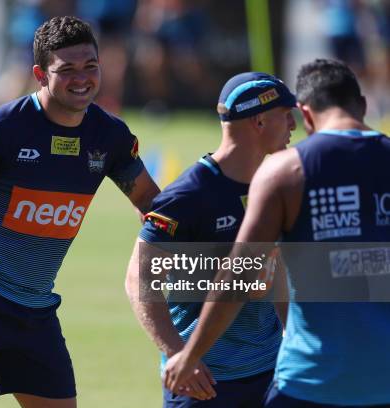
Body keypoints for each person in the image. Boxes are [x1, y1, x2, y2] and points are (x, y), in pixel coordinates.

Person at [0, 16, 159, 408]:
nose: (82, 79)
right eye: (66, 70)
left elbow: (152, 205)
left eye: (90, 67)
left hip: (35, 308)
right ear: (40, 73)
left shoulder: (110, 137)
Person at [163, 59, 390, 407]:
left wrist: (191, 354)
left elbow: (240, 275)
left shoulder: (285, 172)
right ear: (361, 105)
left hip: (309, 381)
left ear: (306, 114)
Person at [126, 72, 296, 407]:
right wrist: (179, 356)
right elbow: (139, 279)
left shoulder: (276, 184)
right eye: (285, 114)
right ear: (259, 120)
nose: (293, 124)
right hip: (204, 383)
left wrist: (294, 338)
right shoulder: (190, 195)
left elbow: (275, 271)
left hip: (271, 374)